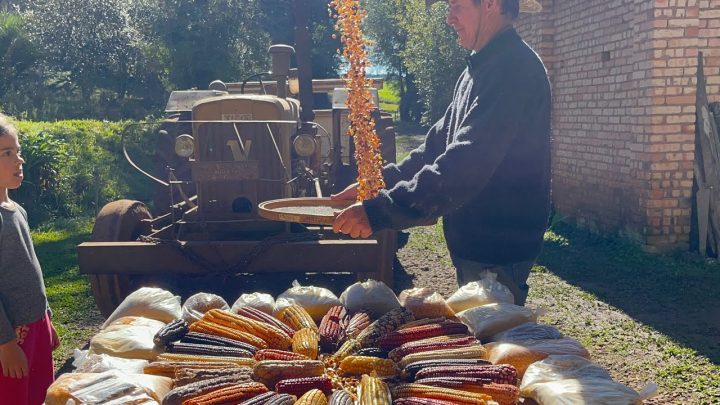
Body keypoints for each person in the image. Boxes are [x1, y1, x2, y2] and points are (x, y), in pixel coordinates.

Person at [332, 0, 551, 306]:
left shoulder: (512, 69)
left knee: (494, 342)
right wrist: (377, 183)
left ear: (490, 4)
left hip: (498, 249)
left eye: (456, 6)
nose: (449, 18)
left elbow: (467, 162)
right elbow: (435, 146)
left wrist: (381, 210)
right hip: (477, 246)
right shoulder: (480, 68)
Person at [0, 114, 60, 404]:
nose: (19, 160)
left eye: (18, 151)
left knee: (40, 394)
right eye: (7, 153)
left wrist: (46, 318)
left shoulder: (17, 210)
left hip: (36, 326)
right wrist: (6, 344)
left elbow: (31, 271)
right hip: (12, 335)